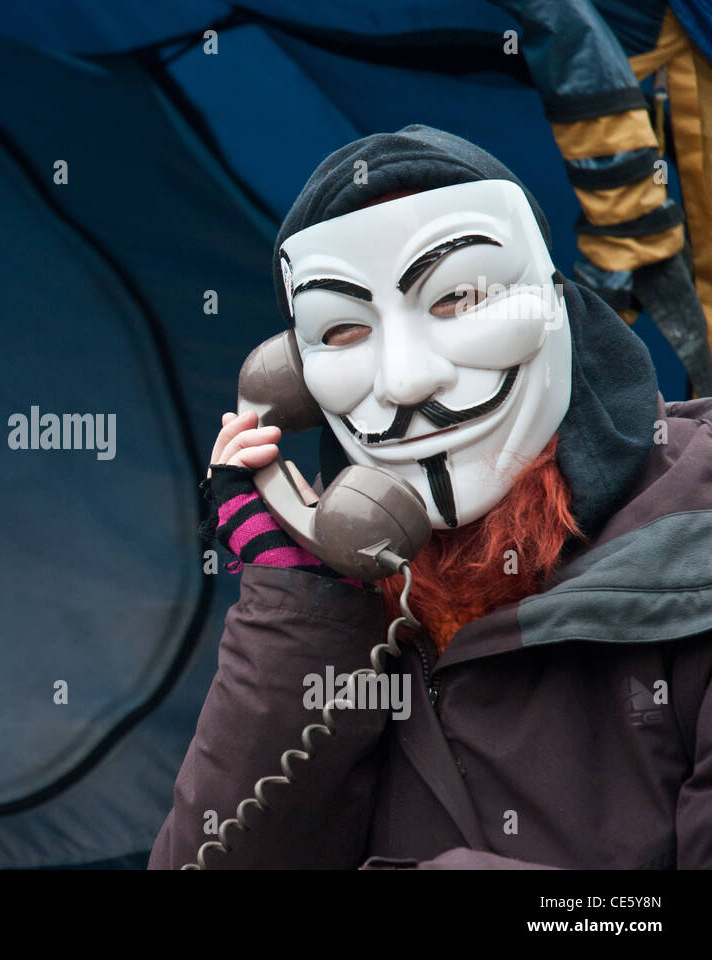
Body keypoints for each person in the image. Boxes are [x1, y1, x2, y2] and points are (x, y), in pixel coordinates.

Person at [148, 125, 712, 870]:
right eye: (344, 329)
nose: (406, 379)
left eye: (458, 299)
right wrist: (303, 606)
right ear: (291, 380)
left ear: (559, 309)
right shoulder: (362, 591)